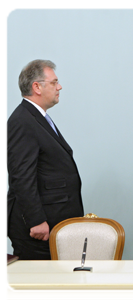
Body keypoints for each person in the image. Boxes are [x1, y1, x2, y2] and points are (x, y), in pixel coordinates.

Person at [5, 59, 84, 260]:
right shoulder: (23, 122)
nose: (59, 87)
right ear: (37, 87)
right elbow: (22, 177)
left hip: (53, 223)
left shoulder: (36, 117)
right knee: (38, 286)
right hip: (39, 229)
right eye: (54, 82)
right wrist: (36, 220)